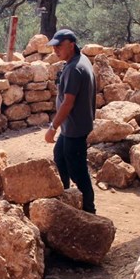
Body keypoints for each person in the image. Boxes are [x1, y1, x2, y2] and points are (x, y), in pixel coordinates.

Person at [44, 28, 96, 214]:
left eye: (59, 46)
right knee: (60, 157)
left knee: (78, 171)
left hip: (74, 128)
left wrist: (52, 127)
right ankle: (66, 197)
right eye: (54, 46)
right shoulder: (79, 61)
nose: (55, 50)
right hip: (73, 127)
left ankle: (89, 212)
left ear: (71, 45)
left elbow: (68, 103)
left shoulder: (75, 68)